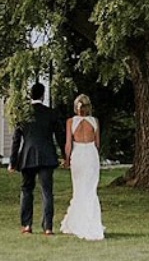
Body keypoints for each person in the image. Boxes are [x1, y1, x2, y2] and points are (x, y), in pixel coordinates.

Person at [7, 82, 62, 235]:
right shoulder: (50, 113)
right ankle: (48, 227)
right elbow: (59, 135)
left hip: (27, 156)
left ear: (30, 95)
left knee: (26, 190)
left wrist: (12, 161)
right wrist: (65, 155)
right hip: (47, 155)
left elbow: (16, 140)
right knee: (47, 192)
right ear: (43, 95)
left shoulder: (23, 114)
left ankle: (27, 225)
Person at [59, 94, 105, 241]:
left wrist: (66, 159)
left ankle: (79, 222)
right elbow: (97, 143)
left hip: (78, 154)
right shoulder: (94, 121)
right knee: (89, 189)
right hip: (90, 153)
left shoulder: (71, 122)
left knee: (81, 189)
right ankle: (89, 222)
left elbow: (68, 144)